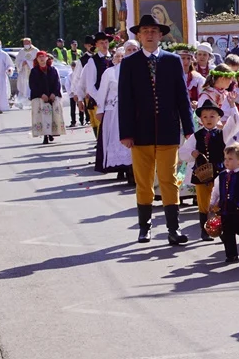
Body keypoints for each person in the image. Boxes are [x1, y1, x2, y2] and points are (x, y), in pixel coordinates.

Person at [118, 14, 195, 245]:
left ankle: (174, 227)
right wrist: (126, 133)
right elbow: (125, 99)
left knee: (169, 179)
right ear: (139, 36)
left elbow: (182, 95)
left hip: (167, 130)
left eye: (154, 31)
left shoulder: (172, 61)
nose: (149, 35)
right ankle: (145, 227)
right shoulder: (129, 63)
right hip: (140, 133)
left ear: (161, 35)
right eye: (145, 31)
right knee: (143, 181)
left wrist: (189, 127)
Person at [180, 101, 239, 239]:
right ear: (201, 119)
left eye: (212, 116)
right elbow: (183, 152)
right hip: (200, 173)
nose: (209, 119)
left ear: (218, 118)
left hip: (219, 172)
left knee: (220, 200)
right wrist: (193, 153)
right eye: (205, 117)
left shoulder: (223, 133)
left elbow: (237, 123)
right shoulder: (195, 136)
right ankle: (205, 230)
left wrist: (232, 105)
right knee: (203, 202)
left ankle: (221, 228)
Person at [96, 41, 139, 184]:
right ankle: (125, 169)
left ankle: (133, 170)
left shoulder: (142, 68)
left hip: (136, 111)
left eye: (135, 49)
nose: (132, 52)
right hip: (114, 111)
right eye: (129, 49)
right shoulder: (111, 72)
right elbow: (102, 92)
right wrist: (100, 110)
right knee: (119, 139)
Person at [83, 32, 114, 157]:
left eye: (106, 42)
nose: (104, 45)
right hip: (100, 101)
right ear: (96, 45)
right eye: (101, 43)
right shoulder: (93, 61)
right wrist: (101, 99)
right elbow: (91, 85)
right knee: (103, 129)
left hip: (114, 100)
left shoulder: (113, 58)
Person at [29, 51, 65, 144]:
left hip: (52, 96)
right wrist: (41, 95)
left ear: (46, 58)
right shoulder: (34, 71)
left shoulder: (52, 70)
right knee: (43, 117)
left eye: (43, 56)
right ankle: (45, 135)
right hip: (40, 97)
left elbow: (57, 83)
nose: (41, 58)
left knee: (53, 115)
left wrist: (53, 93)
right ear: (37, 59)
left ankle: (52, 133)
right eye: (39, 57)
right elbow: (33, 85)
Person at [14, 39, 38, 109]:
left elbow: (38, 60)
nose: (25, 44)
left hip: (33, 72)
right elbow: (17, 61)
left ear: (30, 43)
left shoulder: (35, 50)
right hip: (24, 72)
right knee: (23, 87)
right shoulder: (21, 51)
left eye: (27, 43)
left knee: (32, 87)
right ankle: (21, 103)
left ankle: (33, 102)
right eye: (24, 43)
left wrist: (29, 63)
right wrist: (22, 63)